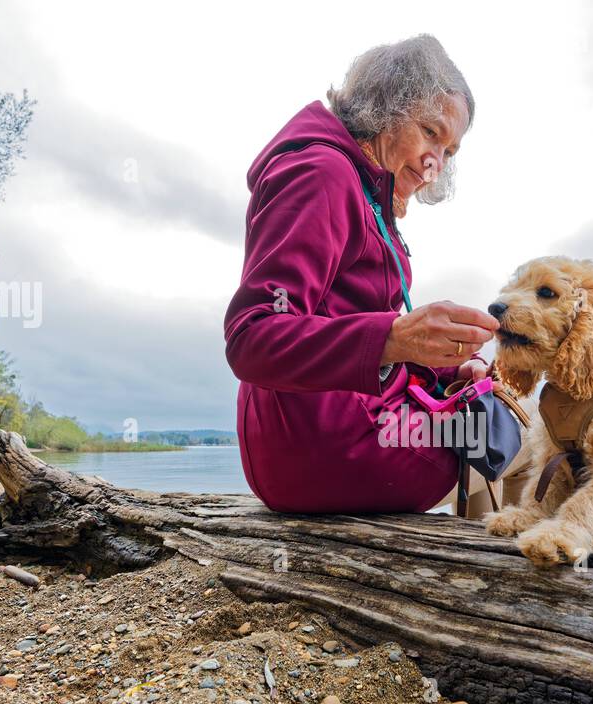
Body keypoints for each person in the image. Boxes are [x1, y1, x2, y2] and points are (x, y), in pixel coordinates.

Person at [224, 34, 531, 516]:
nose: (435, 164)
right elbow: (252, 338)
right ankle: (487, 578)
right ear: (386, 105)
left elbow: (351, 329)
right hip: (335, 449)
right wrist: (393, 336)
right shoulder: (322, 174)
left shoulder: (360, 185)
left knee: (484, 405)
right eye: (431, 132)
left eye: (449, 151)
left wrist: (448, 368)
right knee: (520, 427)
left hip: (317, 441)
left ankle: (479, 565)